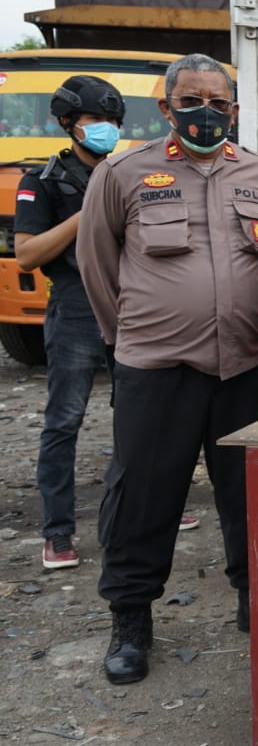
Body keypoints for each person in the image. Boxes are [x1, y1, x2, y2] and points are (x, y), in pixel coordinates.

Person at [77, 53, 258, 684]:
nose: (206, 111)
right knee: (144, 495)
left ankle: (257, 599)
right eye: (192, 99)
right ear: (166, 108)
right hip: (157, 369)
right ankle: (130, 618)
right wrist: (132, 343)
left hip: (245, 368)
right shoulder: (122, 173)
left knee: (250, 496)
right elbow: (98, 267)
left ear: (235, 108)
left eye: (218, 101)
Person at [14, 76, 123, 569]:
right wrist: (87, 210)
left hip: (129, 308)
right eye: (95, 121)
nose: (106, 130)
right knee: (64, 421)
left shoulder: (127, 174)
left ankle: (134, 512)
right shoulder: (43, 180)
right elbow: (27, 255)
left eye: (113, 121)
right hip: (76, 308)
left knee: (138, 416)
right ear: (67, 124)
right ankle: (57, 531)